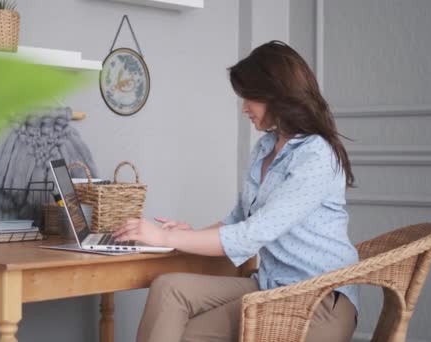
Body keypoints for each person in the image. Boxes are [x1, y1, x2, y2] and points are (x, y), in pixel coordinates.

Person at [113, 40, 359, 342]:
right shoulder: (265, 148)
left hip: (317, 301)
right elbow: (238, 220)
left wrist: (165, 237)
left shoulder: (316, 155)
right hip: (271, 287)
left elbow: (251, 234)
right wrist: (192, 232)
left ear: (277, 95)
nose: (244, 109)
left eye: (250, 98)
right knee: (169, 289)